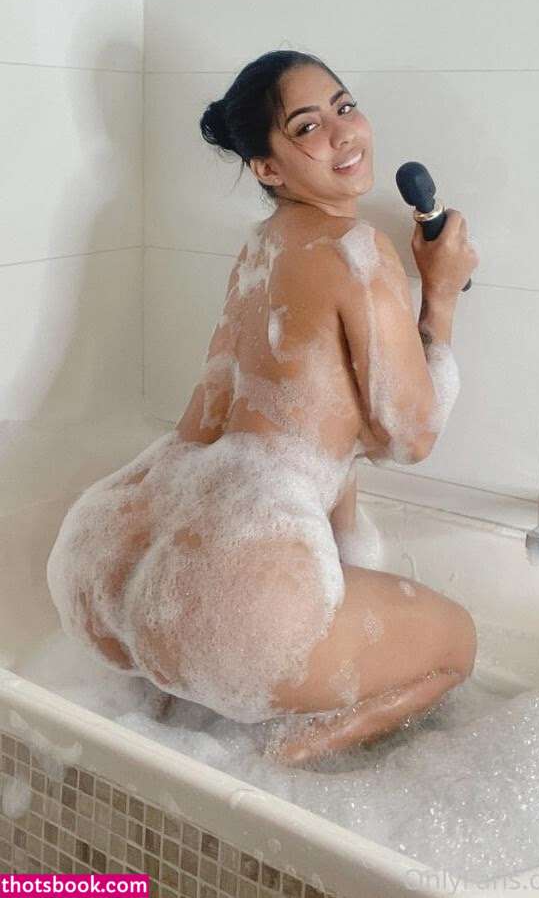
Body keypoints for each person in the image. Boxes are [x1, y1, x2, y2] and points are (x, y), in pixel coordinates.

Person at [46, 49, 479, 766]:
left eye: (344, 106)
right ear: (267, 168)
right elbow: (410, 437)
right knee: (455, 646)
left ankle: (181, 730)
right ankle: (274, 771)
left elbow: (304, 431)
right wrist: (439, 293)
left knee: (238, 629)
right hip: (228, 608)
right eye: (307, 126)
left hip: (103, 570)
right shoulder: (355, 249)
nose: (341, 133)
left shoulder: (258, 248)